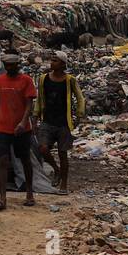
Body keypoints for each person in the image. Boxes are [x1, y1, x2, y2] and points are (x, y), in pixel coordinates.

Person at [0, 54, 38, 210]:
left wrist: (23, 122)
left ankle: (30, 192)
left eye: (13, 65)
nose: (10, 67)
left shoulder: (26, 80)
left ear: (18, 65)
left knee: (25, 159)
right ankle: (3, 198)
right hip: (3, 127)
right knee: (2, 160)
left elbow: (28, 104)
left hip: (22, 129)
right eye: (7, 65)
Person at [35, 54, 86, 195]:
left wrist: (79, 115)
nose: (52, 62)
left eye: (55, 61)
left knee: (63, 154)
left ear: (63, 64)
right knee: (43, 148)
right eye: (51, 60)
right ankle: (56, 169)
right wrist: (35, 116)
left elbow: (80, 98)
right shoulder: (43, 79)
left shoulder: (70, 80)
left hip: (64, 123)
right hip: (47, 121)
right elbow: (39, 99)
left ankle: (63, 184)